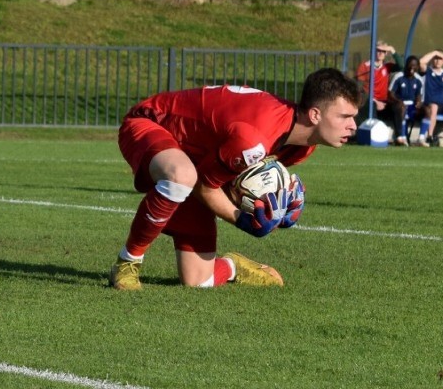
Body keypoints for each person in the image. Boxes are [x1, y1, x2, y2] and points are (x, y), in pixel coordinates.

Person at [109, 67, 361, 291]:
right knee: (180, 176)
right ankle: (128, 263)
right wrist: (243, 220)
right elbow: (204, 186)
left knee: (198, 282)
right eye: (344, 116)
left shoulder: (302, 145)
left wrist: (275, 211)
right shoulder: (255, 136)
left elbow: (232, 179)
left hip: (199, 159)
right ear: (315, 115)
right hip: (151, 123)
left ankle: (232, 266)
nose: (353, 126)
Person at [356, 40, 404, 143]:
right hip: (368, 101)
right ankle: (373, 137)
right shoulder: (365, 66)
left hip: (384, 101)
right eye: (378, 50)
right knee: (371, 105)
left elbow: (402, 66)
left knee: (399, 106)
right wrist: (374, 101)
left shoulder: (387, 67)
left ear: (386, 53)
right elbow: (360, 89)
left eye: (383, 51)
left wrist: (392, 50)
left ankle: (400, 137)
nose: (380, 53)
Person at [418, 49, 443, 146]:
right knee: (433, 107)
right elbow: (421, 62)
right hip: (430, 104)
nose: (437, 61)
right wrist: (435, 52)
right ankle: (430, 136)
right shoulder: (428, 71)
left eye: (440, 58)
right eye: (435, 58)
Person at [388, 55, 424, 146]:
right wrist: (398, 100)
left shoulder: (419, 79)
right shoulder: (399, 76)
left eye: (415, 65)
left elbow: (419, 95)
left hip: (412, 106)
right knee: (402, 107)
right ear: (406, 65)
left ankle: (422, 138)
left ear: (418, 67)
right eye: (410, 65)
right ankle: (401, 136)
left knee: (428, 110)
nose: (412, 67)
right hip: (398, 104)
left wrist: (418, 102)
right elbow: (390, 93)